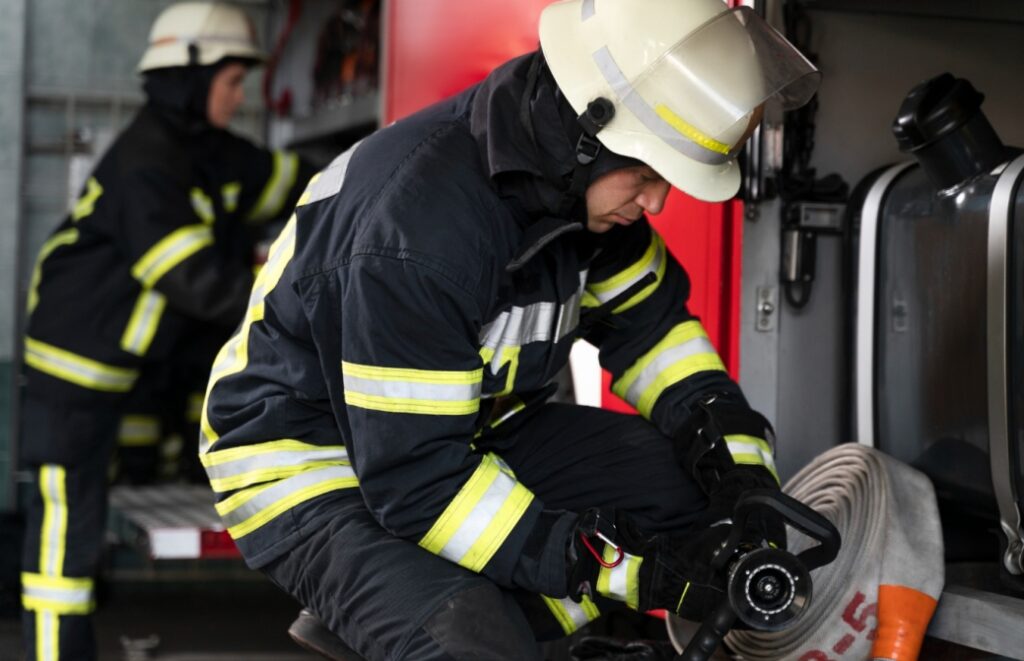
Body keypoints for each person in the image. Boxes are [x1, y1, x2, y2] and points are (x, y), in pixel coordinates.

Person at [201, 0, 821, 658]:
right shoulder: (420, 236)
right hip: (314, 462)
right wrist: (621, 570)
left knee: (678, 490)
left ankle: (436, 612)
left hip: (459, 433)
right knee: (468, 638)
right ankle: (426, 613)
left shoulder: (574, 196)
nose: (657, 202)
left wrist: (740, 474)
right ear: (587, 135)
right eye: (644, 175)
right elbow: (420, 481)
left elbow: (656, 336)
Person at [18, 3, 315, 659]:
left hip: (115, 365)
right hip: (74, 368)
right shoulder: (149, 163)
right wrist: (302, 311)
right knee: (65, 524)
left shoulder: (199, 150)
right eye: (232, 81)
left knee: (84, 515)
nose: (240, 97)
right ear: (190, 76)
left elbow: (287, 182)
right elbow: (198, 284)